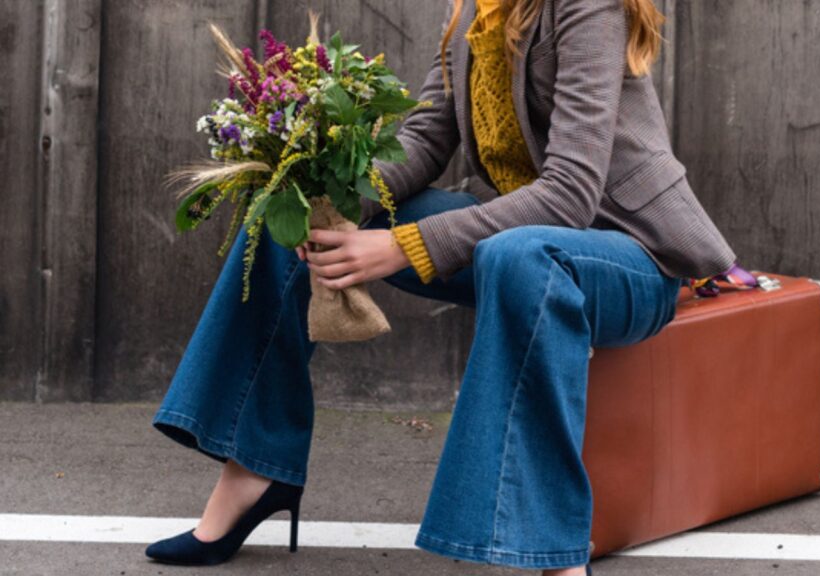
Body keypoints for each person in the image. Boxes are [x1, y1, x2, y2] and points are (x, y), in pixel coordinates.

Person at [144, 0, 738, 574]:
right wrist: (338, 198)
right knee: (296, 209)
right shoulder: (472, 9)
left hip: (629, 257)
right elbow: (427, 138)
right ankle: (252, 467)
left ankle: (555, 555)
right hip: (516, 243)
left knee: (520, 254)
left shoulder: (587, 5)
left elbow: (570, 192)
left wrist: (403, 246)